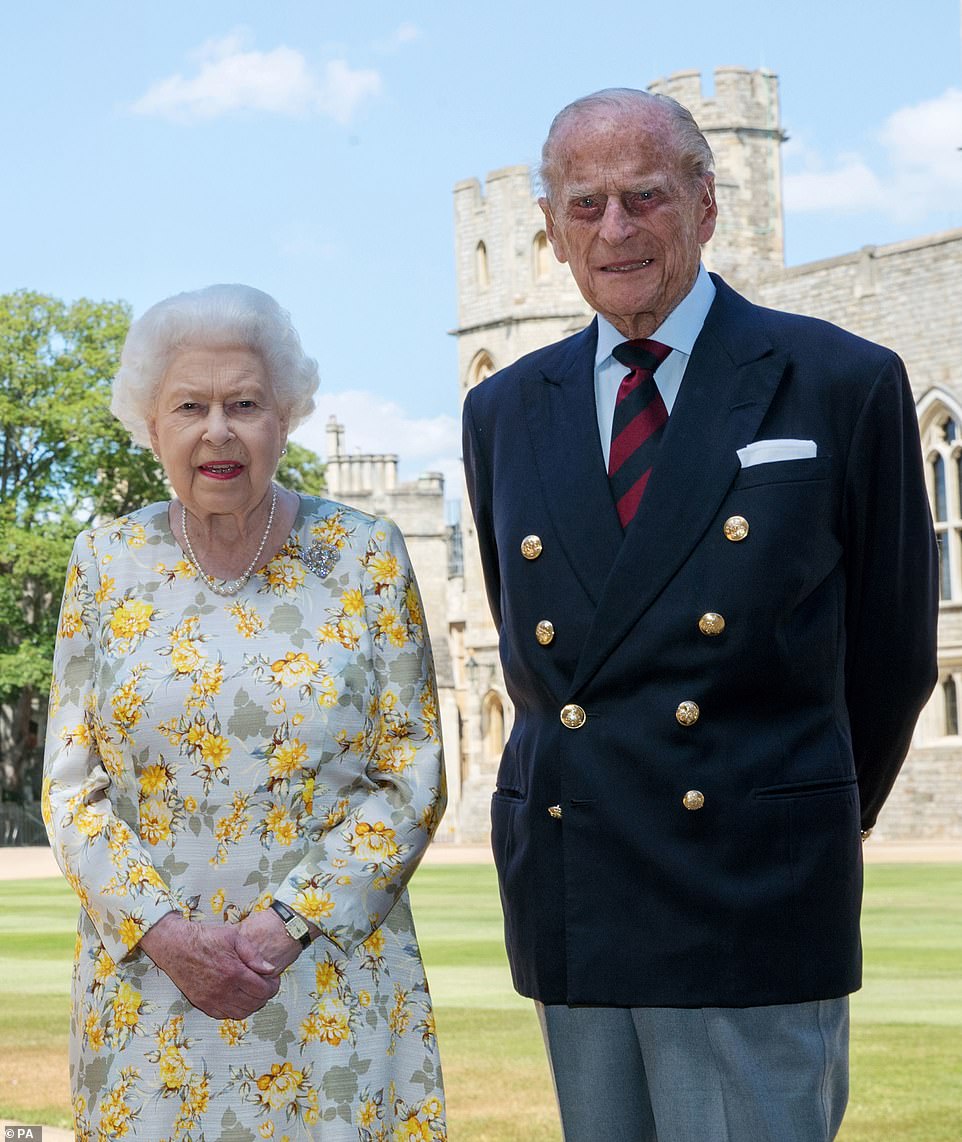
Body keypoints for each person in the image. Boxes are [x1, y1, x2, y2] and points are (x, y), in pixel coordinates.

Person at [461, 88, 938, 1141]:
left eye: (643, 196)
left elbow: (895, 652)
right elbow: (531, 646)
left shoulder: (836, 381)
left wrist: (787, 809)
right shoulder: (502, 407)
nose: (614, 229)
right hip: (577, 885)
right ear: (548, 229)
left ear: (705, 205)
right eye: (583, 205)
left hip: (752, 887)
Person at [43, 284, 447, 1141]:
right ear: (150, 425)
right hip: (151, 993)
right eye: (190, 405)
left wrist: (286, 925)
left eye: (246, 404)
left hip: (329, 984)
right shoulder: (104, 562)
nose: (218, 431)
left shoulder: (367, 555)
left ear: (286, 418)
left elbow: (411, 772)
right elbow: (72, 785)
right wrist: (167, 936)